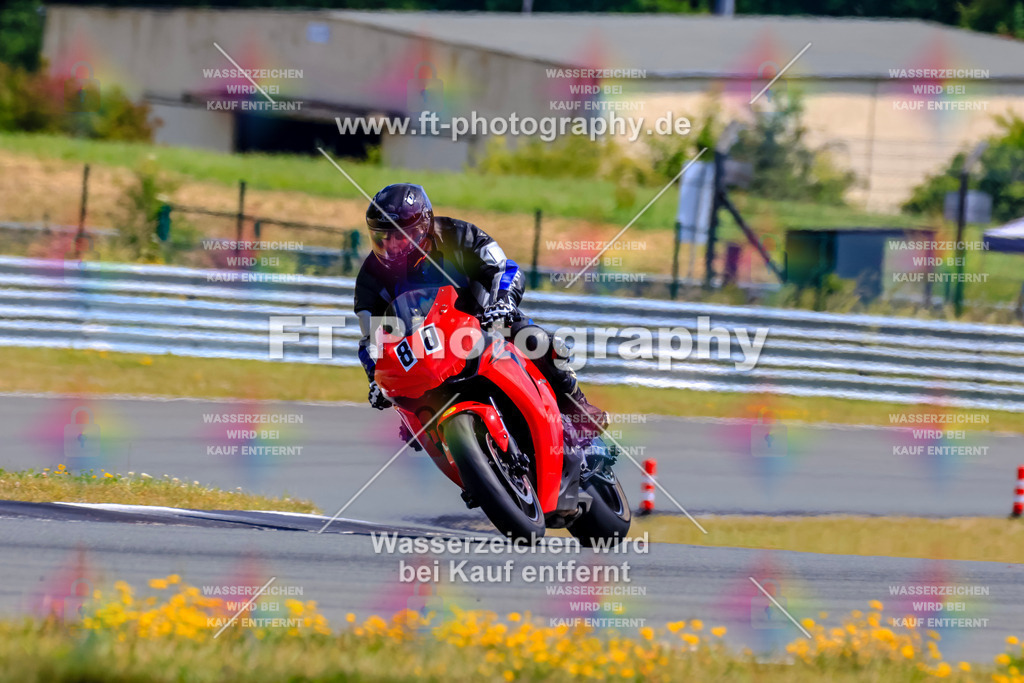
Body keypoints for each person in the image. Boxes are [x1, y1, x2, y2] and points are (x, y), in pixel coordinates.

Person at [353, 182, 608, 439]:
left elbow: (504, 268)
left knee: (535, 340)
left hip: (483, 320)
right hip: (427, 351)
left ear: (423, 227)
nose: (391, 246)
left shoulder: (458, 234)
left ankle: (577, 405)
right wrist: (375, 380)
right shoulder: (371, 277)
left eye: (399, 236)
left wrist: (502, 303)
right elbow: (371, 338)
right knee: (411, 425)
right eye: (382, 237)